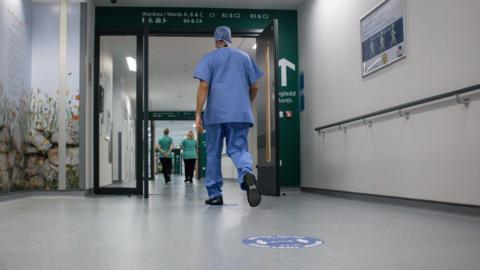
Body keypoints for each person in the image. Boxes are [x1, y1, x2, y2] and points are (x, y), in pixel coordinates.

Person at [193, 26, 263, 207]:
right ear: (229, 40)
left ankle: (215, 195)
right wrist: (246, 103)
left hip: (215, 115)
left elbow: (203, 86)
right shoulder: (244, 57)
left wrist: (198, 113)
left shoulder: (209, 58)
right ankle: (246, 173)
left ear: (216, 41)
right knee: (238, 150)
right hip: (240, 113)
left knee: (213, 154)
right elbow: (255, 86)